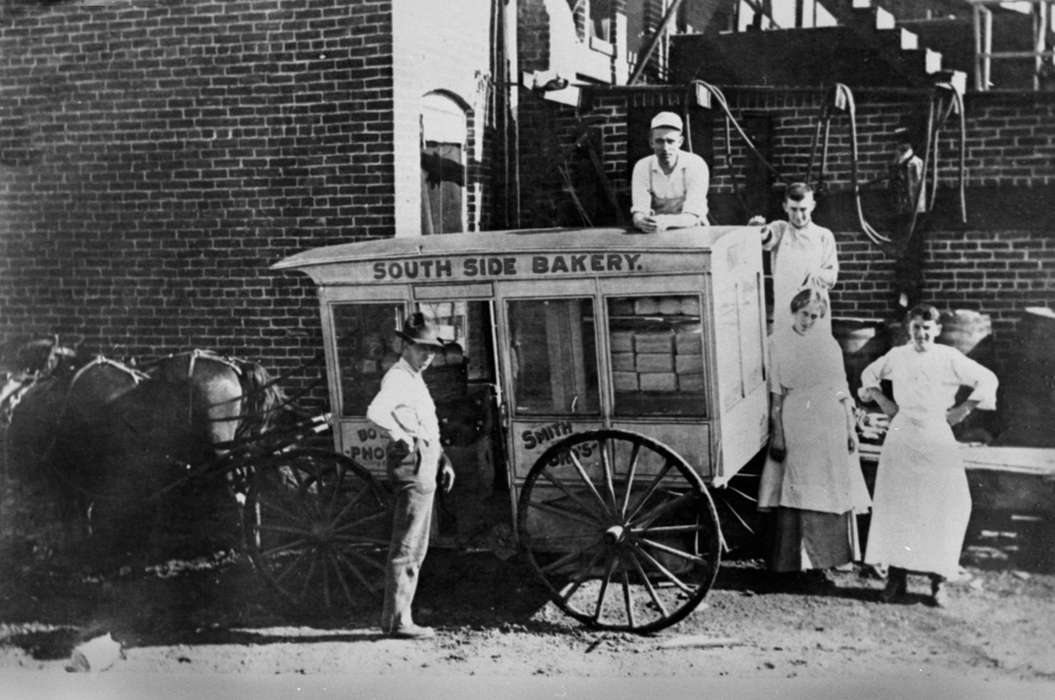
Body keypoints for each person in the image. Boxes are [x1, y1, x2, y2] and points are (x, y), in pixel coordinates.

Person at [859, 304, 998, 607]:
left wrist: (963, 409)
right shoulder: (897, 356)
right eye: (916, 328)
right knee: (898, 504)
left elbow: (987, 379)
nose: (921, 333)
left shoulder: (948, 357)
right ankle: (896, 579)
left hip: (936, 435)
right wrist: (883, 401)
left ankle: (938, 581)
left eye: (926, 328)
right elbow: (868, 375)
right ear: (908, 330)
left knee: (946, 505)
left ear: (936, 330)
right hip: (902, 436)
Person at [758, 288, 871, 588]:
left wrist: (850, 429)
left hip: (829, 421)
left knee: (830, 486)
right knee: (799, 487)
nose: (808, 321)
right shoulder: (777, 342)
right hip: (797, 419)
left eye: (815, 316)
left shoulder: (829, 344)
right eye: (804, 314)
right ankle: (795, 564)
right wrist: (778, 434)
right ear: (793, 312)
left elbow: (842, 389)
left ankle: (825, 562)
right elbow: (776, 395)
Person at [367, 312, 456, 639]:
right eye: (421, 349)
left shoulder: (413, 376)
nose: (428, 356)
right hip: (413, 460)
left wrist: (442, 457)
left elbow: (427, 423)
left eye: (432, 351)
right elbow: (375, 412)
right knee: (407, 544)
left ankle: (401, 614)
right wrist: (400, 437)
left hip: (426, 457)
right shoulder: (399, 378)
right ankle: (396, 621)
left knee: (416, 545)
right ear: (405, 346)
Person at [751, 182, 839, 335]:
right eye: (793, 209)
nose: (798, 216)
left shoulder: (824, 236)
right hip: (786, 312)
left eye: (803, 209)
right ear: (785, 206)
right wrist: (758, 229)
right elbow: (766, 238)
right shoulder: (780, 229)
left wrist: (815, 274)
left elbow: (832, 277)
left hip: (814, 312)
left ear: (812, 205)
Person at [630, 111, 709, 232]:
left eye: (670, 141)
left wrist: (663, 221)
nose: (665, 148)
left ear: (680, 142)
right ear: (651, 142)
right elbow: (639, 210)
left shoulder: (696, 165)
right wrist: (640, 221)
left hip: (691, 230)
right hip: (656, 230)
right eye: (659, 141)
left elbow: (693, 215)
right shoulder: (642, 167)